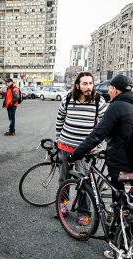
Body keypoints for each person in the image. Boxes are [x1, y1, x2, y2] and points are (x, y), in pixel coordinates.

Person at [68, 74, 133, 258]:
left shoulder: (117, 105)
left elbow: (97, 134)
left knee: (121, 206)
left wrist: (75, 154)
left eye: (110, 89)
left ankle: (121, 249)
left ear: (114, 89)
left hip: (122, 166)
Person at [55, 72, 107, 218]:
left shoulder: (98, 100)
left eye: (91, 83)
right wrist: (58, 139)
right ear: (77, 85)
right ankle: (62, 205)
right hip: (65, 146)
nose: (89, 87)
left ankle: (83, 213)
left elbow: (105, 125)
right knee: (64, 178)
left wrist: (99, 143)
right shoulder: (67, 98)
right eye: (85, 84)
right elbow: (60, 120)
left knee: (84, 182)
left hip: (85, 150)